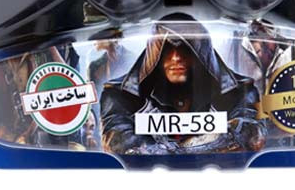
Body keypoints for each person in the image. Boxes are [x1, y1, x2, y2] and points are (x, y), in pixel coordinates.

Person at [100, 14, 266, 156]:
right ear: (154, 54)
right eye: (167, 48)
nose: (176, 57)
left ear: (200, 52)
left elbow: (252, 136)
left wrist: (177, 150)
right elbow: (119, 143)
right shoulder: (119, 95)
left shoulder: (241, 91)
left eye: (185, 47)